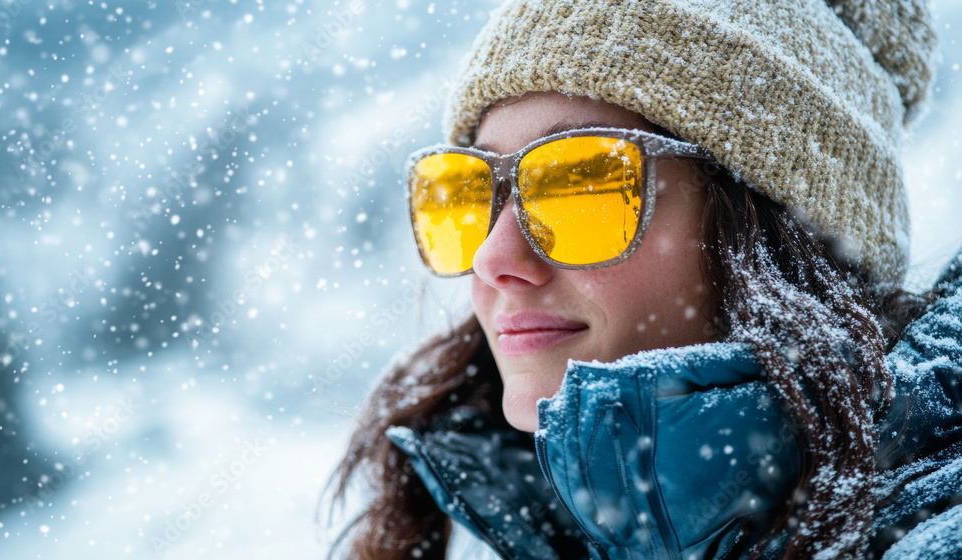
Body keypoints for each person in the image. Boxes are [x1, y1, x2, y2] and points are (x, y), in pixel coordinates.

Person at [324, 1, 962, 559]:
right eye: (469, 194)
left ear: (769, 230)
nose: (494, 258)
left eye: (582, 186)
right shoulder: (515, 521)